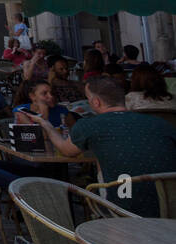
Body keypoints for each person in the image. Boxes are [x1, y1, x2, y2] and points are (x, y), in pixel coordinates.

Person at [22, 77, 176, 217]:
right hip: (170, 204)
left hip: (125, 205)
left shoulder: (90, 125)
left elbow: (66, 150)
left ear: (95, 102)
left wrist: (46, 124)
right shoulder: (161, 123)